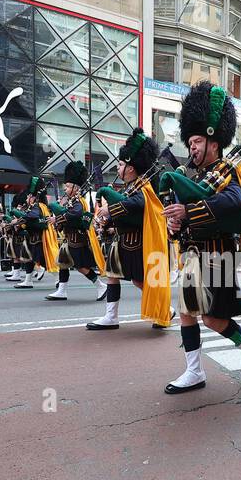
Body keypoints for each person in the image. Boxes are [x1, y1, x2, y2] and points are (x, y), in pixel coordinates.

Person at [159, 82, 241, 393]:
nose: (191, 147)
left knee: (211, 318)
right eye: (189, 142)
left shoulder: (231, 171)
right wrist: (176, 226)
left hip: (218, 255)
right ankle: (194, 371)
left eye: (196, 141)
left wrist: (189, 212)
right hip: (193, 256)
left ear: (213, 140)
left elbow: (234, 202)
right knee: (186, 312)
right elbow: (182, 216)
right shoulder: (191, 175)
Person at [87, 129, 172, 331]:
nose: (118, 168)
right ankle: (111, 316)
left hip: (140, 243)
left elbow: (136, 204)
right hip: (125, 241)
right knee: (112, 275)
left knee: (140, 281)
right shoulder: (133, 185)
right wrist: (109, 224)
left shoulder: (144, 187)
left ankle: (165, 310)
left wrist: (109, 207)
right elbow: (127, 211)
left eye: (121, 164)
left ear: (131, 168)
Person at [44, 161, 108, 302]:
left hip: (77, 239)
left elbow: (76, 213)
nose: (65, 188)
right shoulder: (71, 200)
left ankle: (101, 286)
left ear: (75, 187)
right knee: (63, 263)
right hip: (70, 238)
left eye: (67, 186)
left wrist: (59, 217)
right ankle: (61, 291)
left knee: (81, 266)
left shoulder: (78, 201)